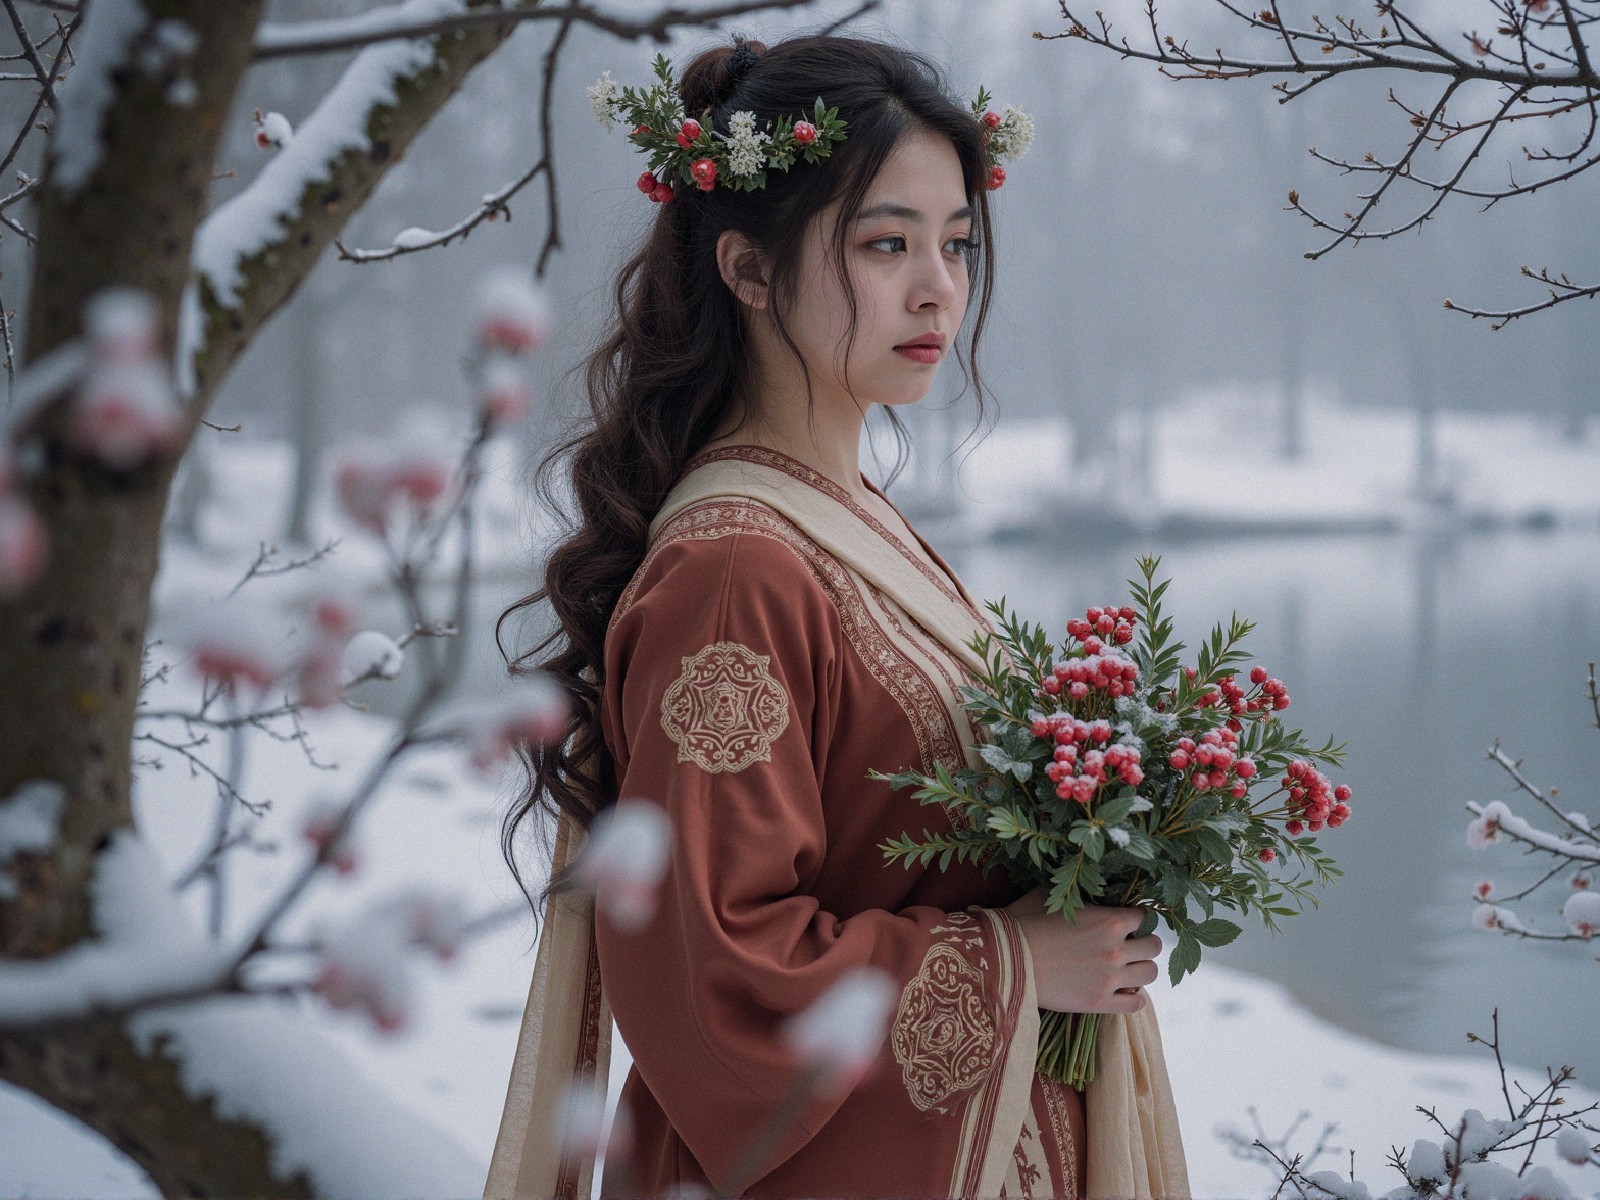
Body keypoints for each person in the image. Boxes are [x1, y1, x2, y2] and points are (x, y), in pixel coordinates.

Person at [485, 28, 1188, 1200]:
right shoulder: (733, 572)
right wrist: (1015, 961)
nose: (938, 288)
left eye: (955, 244)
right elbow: (718, 975)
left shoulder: (846, 519)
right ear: (747, 269)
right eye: (884, 244)